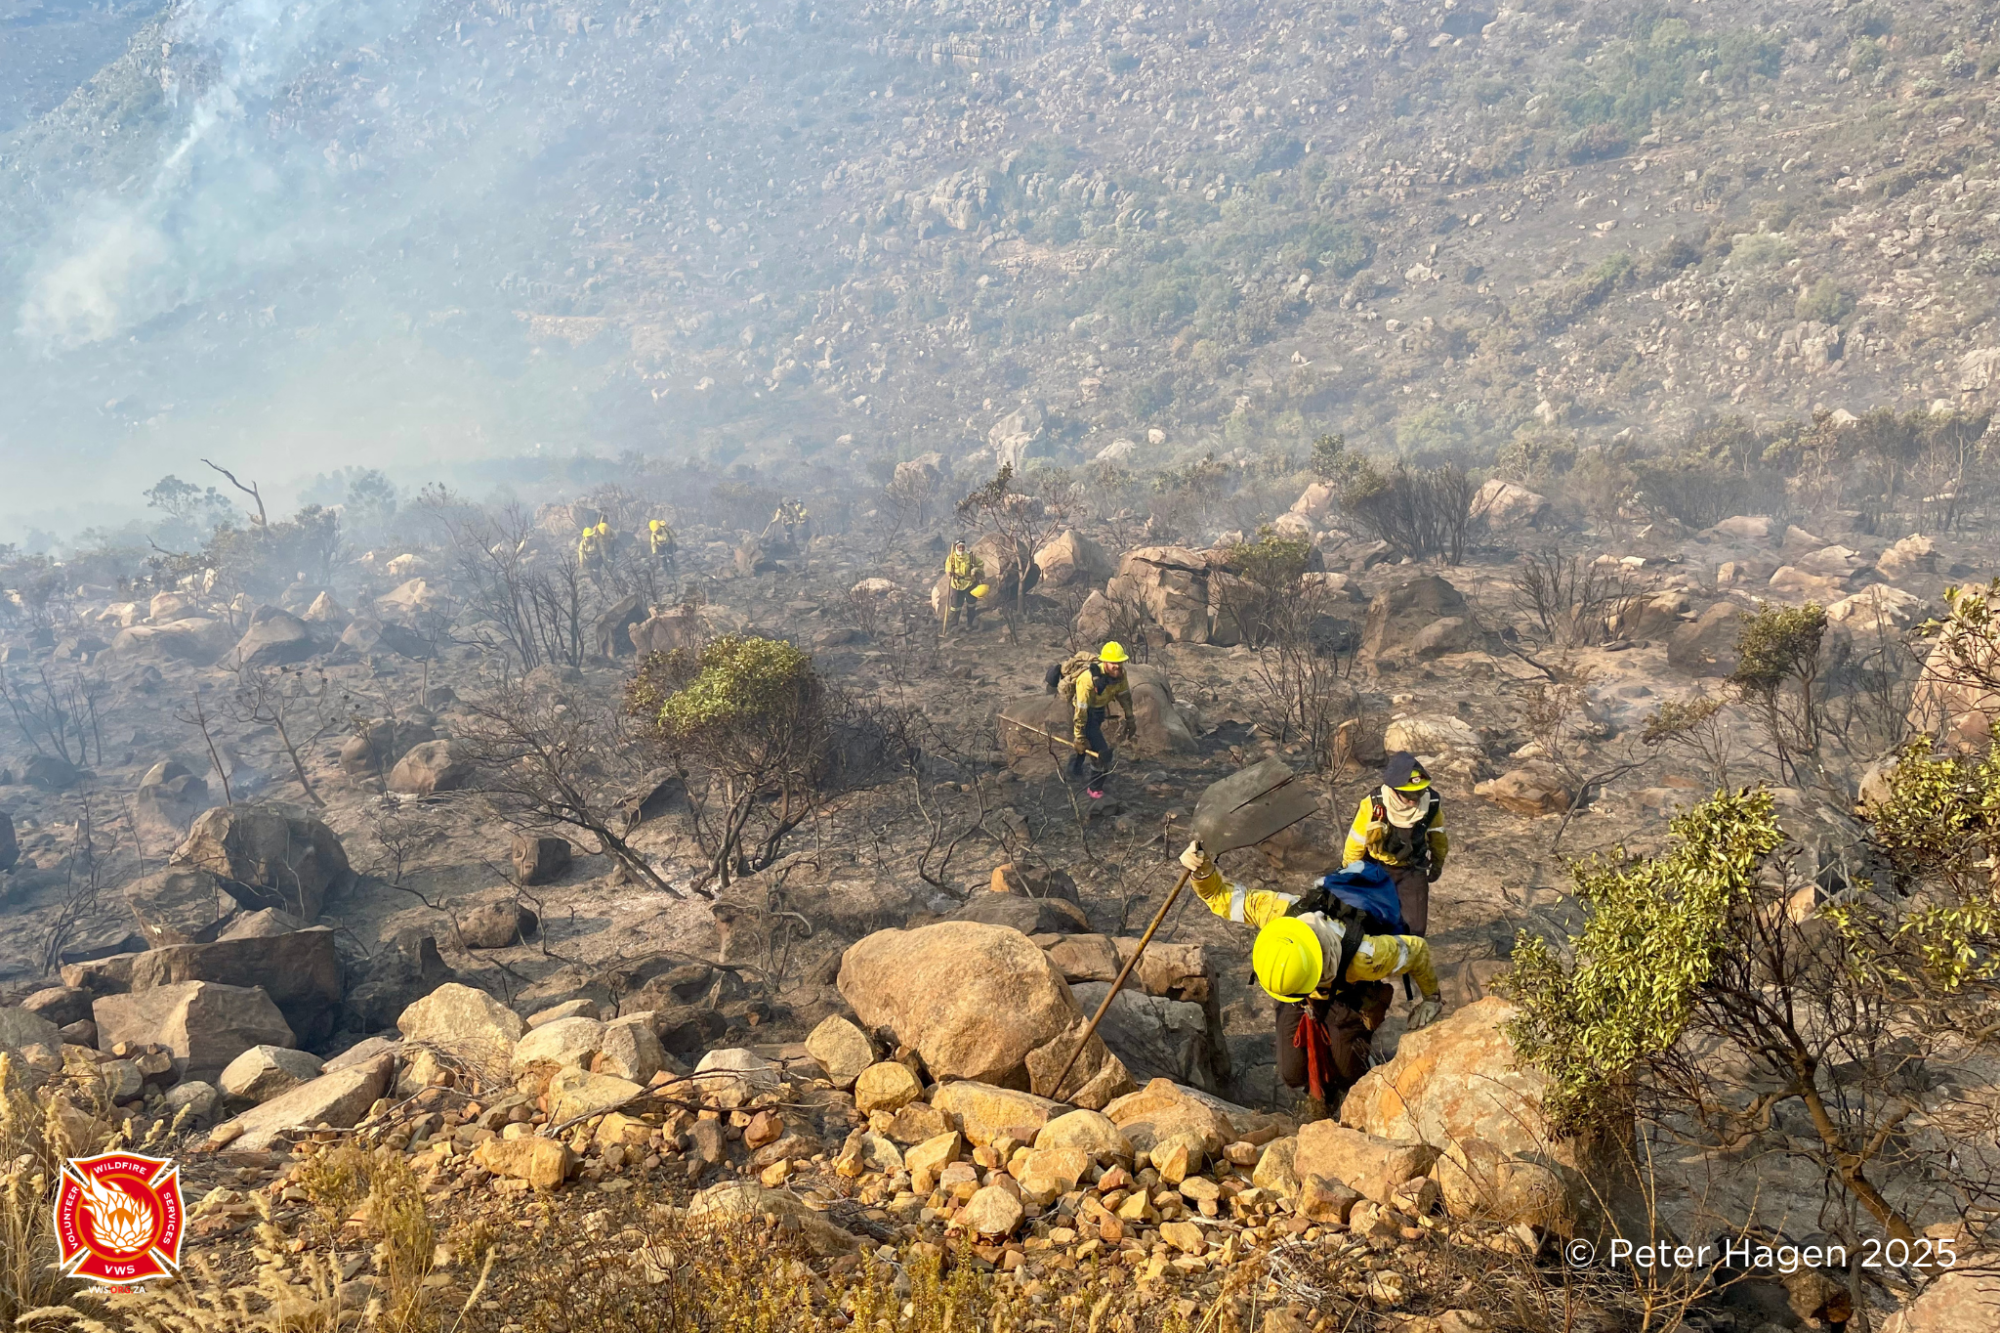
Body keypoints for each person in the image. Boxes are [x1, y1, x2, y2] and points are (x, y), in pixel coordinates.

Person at [1179, 838, 1445, 1120]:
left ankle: (1350, 1084)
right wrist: (1202, 871)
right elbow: (1221, 897)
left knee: (1347, 1072)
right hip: (1297, 985)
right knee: (1291, 1072)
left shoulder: (1365, 957)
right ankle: (1317, 1095)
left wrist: (1431, 998)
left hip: (1347, 990)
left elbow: (1417, 951)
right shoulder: (1278, 912)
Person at [1343, 752, 1449, 937]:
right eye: (1409, 794)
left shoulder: (1431, 802)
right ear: (1395, 790)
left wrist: (1437, 864)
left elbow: (1438, 837)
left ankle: (1407, 962)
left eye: (1419, 792)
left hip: (1412, 868)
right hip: (1377, 868)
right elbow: (1356, 843)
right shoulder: (1374, 804)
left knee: (1415, 929)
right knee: (1372, 925)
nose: (1414, 799)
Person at [1064, 641, 1137, 799]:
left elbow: (1125, 697)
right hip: (1083, 712)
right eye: (1113, 664)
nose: (1117, 666)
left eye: (1120, 662)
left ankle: (1073, 771)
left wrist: (1131, 719)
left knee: (1086, 745)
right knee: (1101, 752)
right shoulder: (1087, 680)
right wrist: (1078, 735)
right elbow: (1081, 711)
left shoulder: (1120, 675)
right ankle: (1094, 789)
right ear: (1105, 662)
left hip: (1098, 711)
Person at [944, 539, 983, 633]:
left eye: (962, 547)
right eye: (959, 547)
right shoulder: (951, 558)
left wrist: (975, 570)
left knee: (971, 604)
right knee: (955, 606)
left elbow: (980, 564)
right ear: (956, 547)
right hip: (956, 584)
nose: (961, 549)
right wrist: (949, 573)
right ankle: (953, 626)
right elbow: (948, 568)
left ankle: (970, 624)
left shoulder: (970, 557)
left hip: (970, 583)